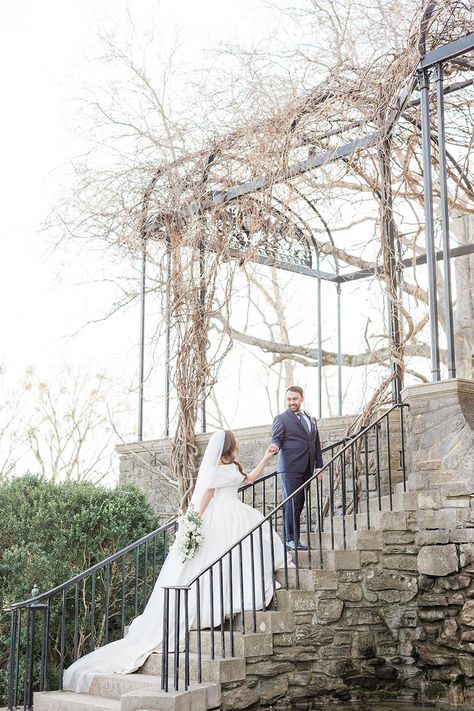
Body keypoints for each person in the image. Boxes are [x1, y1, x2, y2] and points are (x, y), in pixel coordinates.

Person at [63, 430, 287, 694]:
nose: (236, 443)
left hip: (236, 514)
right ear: (229, 445)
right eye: (234, 441)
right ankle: (217, 602)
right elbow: (206, 495)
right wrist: (194, 522)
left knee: (237, 556)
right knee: (215, 561)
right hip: (220, 517)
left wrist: (265, 457)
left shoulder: (234, 466)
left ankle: (228, 597)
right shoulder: (215, 468)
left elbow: (249, 479)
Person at [270, 385, 323, 551]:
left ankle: (290, 539)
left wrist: (318, 466)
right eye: (289, 399)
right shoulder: (282, 418)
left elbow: (316, 444)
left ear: (302, 398)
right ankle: (291, 540)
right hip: (290, 467)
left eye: (294, 399)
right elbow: (277, 438)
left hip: (307, 467)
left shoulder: (311, 419)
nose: (291, 402)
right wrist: (274, 446)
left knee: (299, 504)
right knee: (292, 502)